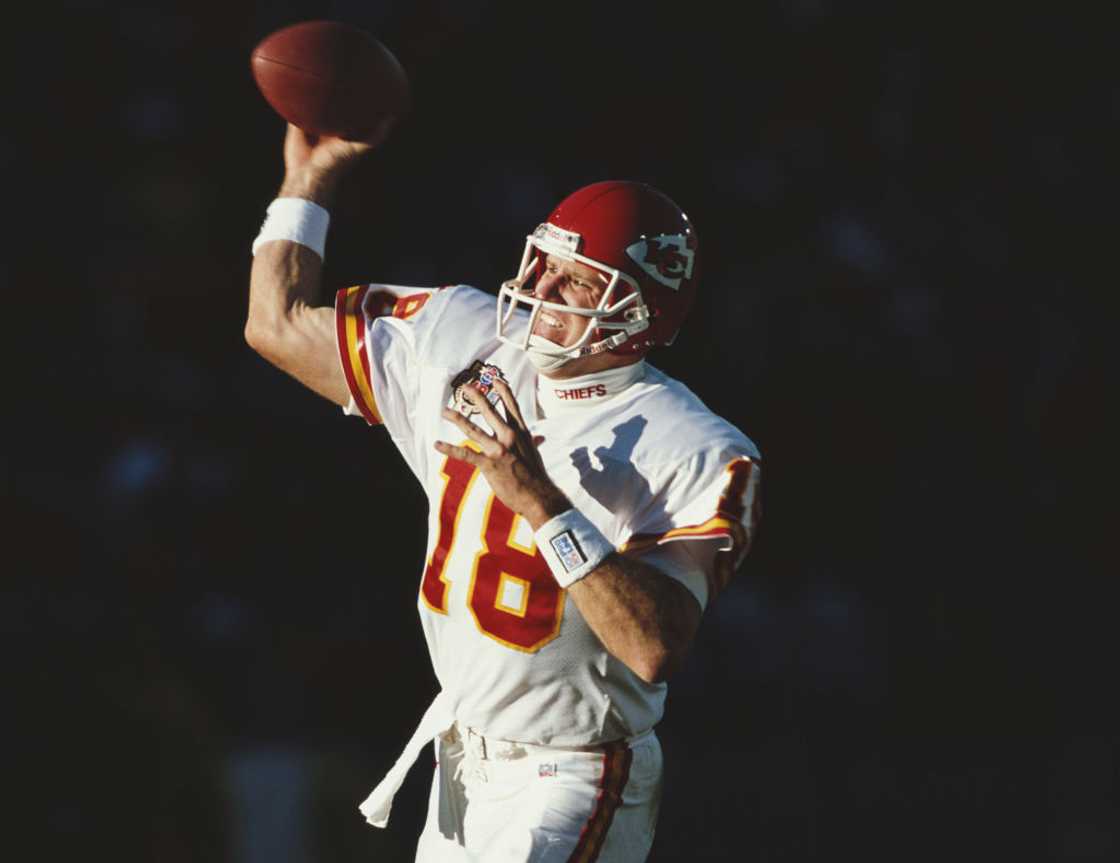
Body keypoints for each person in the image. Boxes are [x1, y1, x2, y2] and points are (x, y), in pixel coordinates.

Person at [245, 123, 762, 862]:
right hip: (461, 759)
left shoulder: (693, 444)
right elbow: (276, 324)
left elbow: (654, 645)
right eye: (543, 261)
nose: (540, 287)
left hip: (572, 774)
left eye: (576, 279)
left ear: (640, 310)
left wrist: (543, 503)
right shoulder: (463, 333)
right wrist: (308, 182)